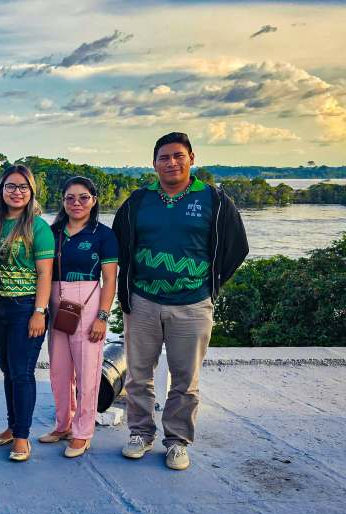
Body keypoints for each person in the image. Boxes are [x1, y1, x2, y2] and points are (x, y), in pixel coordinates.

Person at [114, 132, 248, 470]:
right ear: (154, 163)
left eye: (178, 156)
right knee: (138, 374)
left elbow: (237, 247)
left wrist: (209, 284)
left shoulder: (213, 200)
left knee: (185, 379)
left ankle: (177, 441)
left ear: (191, 158)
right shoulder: (139, 200)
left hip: (192, 304)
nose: (171, 163)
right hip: (143, 301)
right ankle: (141, 433)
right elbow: (118, 246)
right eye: (164, 157)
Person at [42, 176, 118, 458]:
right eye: (70, 198)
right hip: (56, 304)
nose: (76, 203)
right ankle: (63, 424)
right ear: (62, 201)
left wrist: (102, 316)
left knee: (87, 372)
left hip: (87, 304)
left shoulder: (103, 235)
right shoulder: (53, 232)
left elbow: (109, 280)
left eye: (83, 197)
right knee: (59, 371)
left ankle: (83, 432)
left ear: (94, 200)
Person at [0, 165, 54, 463]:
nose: (17, 192)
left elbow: (44, 274)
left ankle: (22, 438)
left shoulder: (38, 227)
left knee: (23, 373)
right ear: (1, 190)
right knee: (9, 372)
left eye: (23, 187)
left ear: (31, 192)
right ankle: (13, 427)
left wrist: (39, 311)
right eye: (11, 186)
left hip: (26, 308)